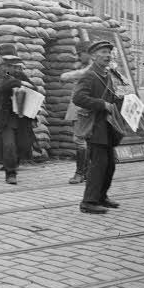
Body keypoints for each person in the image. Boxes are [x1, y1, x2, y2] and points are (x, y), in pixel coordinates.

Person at [71, 40, 126, 214]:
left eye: (109, 53)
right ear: (94, 56)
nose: (107, 56)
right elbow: (78, 98)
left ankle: (101, 197)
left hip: (107, 125)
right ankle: (88, 202)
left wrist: (122, 99)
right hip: (95, 125)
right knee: (98, 165)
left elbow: (112, 99)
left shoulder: (107, 75)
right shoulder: (89, 75)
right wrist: (101, 104)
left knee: (110, 165)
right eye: (103, 52)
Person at [0, 44, 37, 185]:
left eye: (13, 63)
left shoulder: (19, 74)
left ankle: (11, 164)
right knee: (9, 144)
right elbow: (0, 86)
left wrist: (23, 84)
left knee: (21, 145)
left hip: (21, 116)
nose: (11, 66)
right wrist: (17, 83)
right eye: (8, 63)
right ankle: (10, 173)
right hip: (6, 117)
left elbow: (34, 87)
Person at [62, 41, 94, 184]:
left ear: (88, 53)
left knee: (79, 140)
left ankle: (80, 173)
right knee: (85, 140)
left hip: (83, 109)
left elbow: (78, 74)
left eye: (81, 54)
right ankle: (86, 172)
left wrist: (65, 75)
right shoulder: (87, 66)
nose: (79, 57)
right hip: (83, 108)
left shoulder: (92, 68)